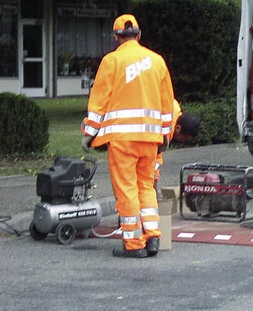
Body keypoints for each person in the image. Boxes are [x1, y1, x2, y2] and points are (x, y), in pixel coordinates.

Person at [81, 14, 175, 258]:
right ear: (139, 35)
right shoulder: (157, 61)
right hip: (151, 140)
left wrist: (89, 133)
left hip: (122, 140)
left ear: (115, 37)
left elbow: (99, 100)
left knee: (127, 191)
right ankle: (153, 236)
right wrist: (164, 136)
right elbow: (167, 104)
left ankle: (134, 244)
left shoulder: (111, 61)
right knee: (146, 187)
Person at [154, 99, 201, 187]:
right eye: (183, 138)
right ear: (178, 128)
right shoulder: (165, 131)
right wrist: (154, 179)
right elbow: (154, 159)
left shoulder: (174, 107)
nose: (181, 141)